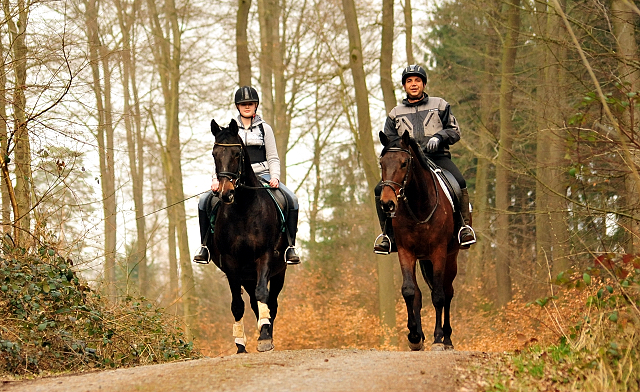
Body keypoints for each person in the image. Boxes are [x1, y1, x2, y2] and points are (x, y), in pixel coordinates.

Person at [373, 64, 476, 254]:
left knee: (459, 182)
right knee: (380, 189)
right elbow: (390, 141)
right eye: (409, 81)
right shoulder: (395, 113)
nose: (413, 84)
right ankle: (387, 236)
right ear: (404, 86)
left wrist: (439, 137)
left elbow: (454, 131)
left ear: (424, 84)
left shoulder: (440, 105)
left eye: (417, 80)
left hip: (438, 157)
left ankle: (463, 228)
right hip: (408, 163)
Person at [193, 86, 301, 264]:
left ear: (256, 105)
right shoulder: (230, 131)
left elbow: (273, 156)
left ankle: (290, 247)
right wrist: (216, 180)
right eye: (243, 104)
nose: (247, 107)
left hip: (263, 176)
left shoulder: (265, 129)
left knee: (292, 200)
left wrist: (274, 177)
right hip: (233, 178)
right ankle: (205, 246)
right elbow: (221, 159)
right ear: (238, 107)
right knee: (204, 201)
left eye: (250, 104)